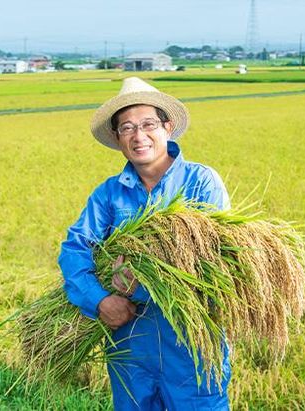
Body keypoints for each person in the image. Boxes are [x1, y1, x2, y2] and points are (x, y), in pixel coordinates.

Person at [58, 77, 231, 410]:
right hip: (130, 348)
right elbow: (74, 251)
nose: (139, 136)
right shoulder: (108, 195)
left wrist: (141, 276)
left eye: (148, 124)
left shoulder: (200, 183)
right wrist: (100, 301)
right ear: (118, 138)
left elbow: (215, 259)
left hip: (191, 347)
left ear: (167, 127)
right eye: (127, 128)